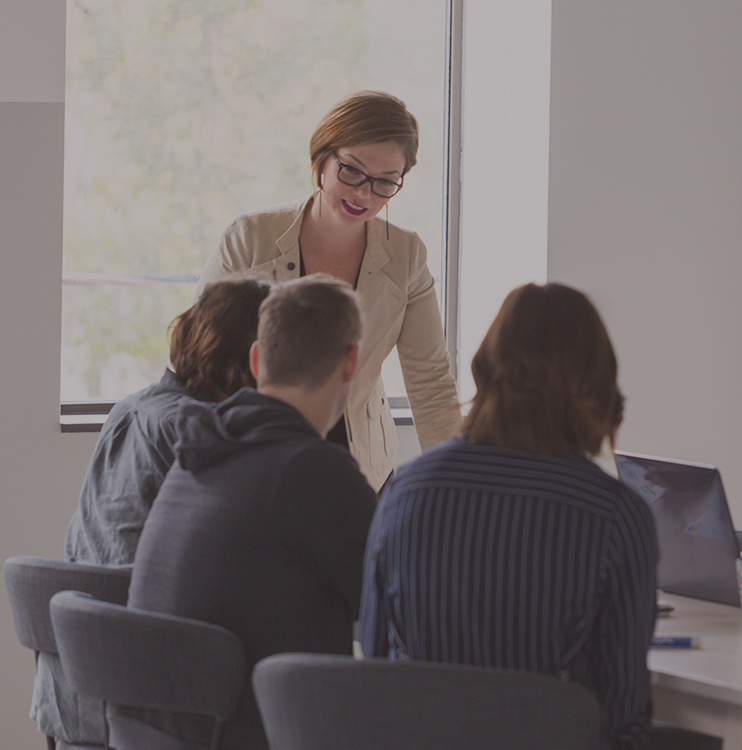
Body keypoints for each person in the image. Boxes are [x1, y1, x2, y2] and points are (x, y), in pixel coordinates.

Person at [360, 283, 657, 750]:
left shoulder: (404, 493)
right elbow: (625, 719)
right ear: (598, 382)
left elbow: (372, 672)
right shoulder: (616, 515)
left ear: (484, 368)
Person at [127, 275, 378, 750]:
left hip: (164, 736)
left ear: (257, 359)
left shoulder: (197, 453)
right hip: (258, 733)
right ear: (350, 363)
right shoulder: (312, 471)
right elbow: (400, 600)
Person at [36, 277, 268, 749]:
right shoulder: (201, 431)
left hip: (72, 695)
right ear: (254, 357)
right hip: (144, 703)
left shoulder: (128, 410)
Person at [199, 90, 461, 490]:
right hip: (256, 462)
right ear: (322, 157)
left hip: (360, 472)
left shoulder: (406, 255)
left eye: (385, 182)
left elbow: (430, 383)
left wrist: (458, 484)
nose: (364, 194)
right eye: (352, 171)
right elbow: (201, 360)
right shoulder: (249, 238)